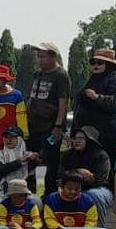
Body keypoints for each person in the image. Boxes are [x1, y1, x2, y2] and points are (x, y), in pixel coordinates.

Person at [74, 48, 116, 165]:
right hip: (92, 136)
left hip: (111, 136)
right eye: (93, 63)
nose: (95, 66)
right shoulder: (92, 80)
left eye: (100, 63)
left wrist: (97, 97)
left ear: (109, 65)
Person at [27, 43, 71, 196]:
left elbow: (62, 102)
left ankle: (47, 195)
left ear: (53, 56)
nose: (40, 60)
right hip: (34, 126)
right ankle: (32, 192)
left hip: (51, 127)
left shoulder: (61, 75)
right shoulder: (37, 74)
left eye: (43, 57)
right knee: (32, 159)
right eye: (38, 57)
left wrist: (58, 125)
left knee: (48, 162)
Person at [59, 126, 113, 210]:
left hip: (99, 189)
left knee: (93, 195)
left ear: (90, 140)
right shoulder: (67, 154)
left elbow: (98, 181)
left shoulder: (101, 156)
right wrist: (78, 171)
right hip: (72, 188)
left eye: (81, 138)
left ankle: (97, 223)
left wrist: (73, 180)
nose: (77, 141)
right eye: (75, 138)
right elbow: (60, 174)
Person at [0, 127, 37, 199]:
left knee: (36, 202)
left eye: (13, 137)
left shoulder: (29, 155)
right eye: (6, 137)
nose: (8, 140)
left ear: (20, 139)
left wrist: (35, 159)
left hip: (25, 192)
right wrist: (19, 162)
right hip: (2, 191)